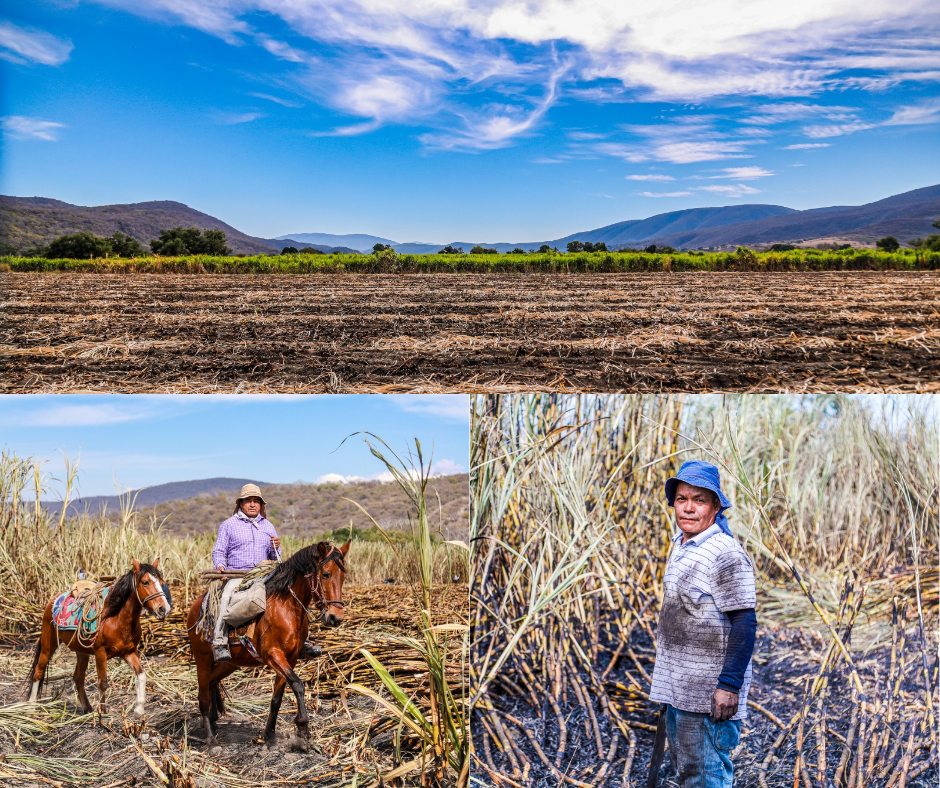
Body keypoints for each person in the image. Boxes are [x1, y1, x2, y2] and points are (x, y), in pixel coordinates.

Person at [648, 461, 758, 788]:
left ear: (716, 506)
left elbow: (744, 622)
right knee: (689, 773)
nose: (689, 508)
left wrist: (728, 686)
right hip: (680, 687)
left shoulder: (724, 552)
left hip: (708, 695)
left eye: (699, 500)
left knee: (707, 777)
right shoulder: (681, 544)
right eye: (682, 499)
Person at [211, 484, 281, 661]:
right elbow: (218, 551)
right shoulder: (228, 525)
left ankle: (302, 640)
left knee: (290, 594)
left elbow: (275, 557)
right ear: (241, 504)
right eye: (248, 501)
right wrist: (220, 566)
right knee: (226, 597)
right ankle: (219, 642)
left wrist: (276, 548)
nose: (252, 504)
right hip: (238, 576)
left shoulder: (268, 526)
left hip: (264, 575)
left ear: (261, 505)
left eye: (256, 501)